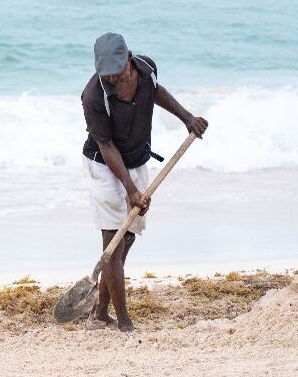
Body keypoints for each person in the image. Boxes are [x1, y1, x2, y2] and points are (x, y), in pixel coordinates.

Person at [81, 33, 207, 333]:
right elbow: (106, 145)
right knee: (112, 242)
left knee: (126, 239)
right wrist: (130, 189)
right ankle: (124, 323)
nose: (113, 79)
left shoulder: (146, 69)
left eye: (118, 71)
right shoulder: (94, 96)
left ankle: (100, 314)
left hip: (137, 160)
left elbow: (156, 91)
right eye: (107, 75)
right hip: (104, 166)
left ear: (129, 58)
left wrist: (187, 117)